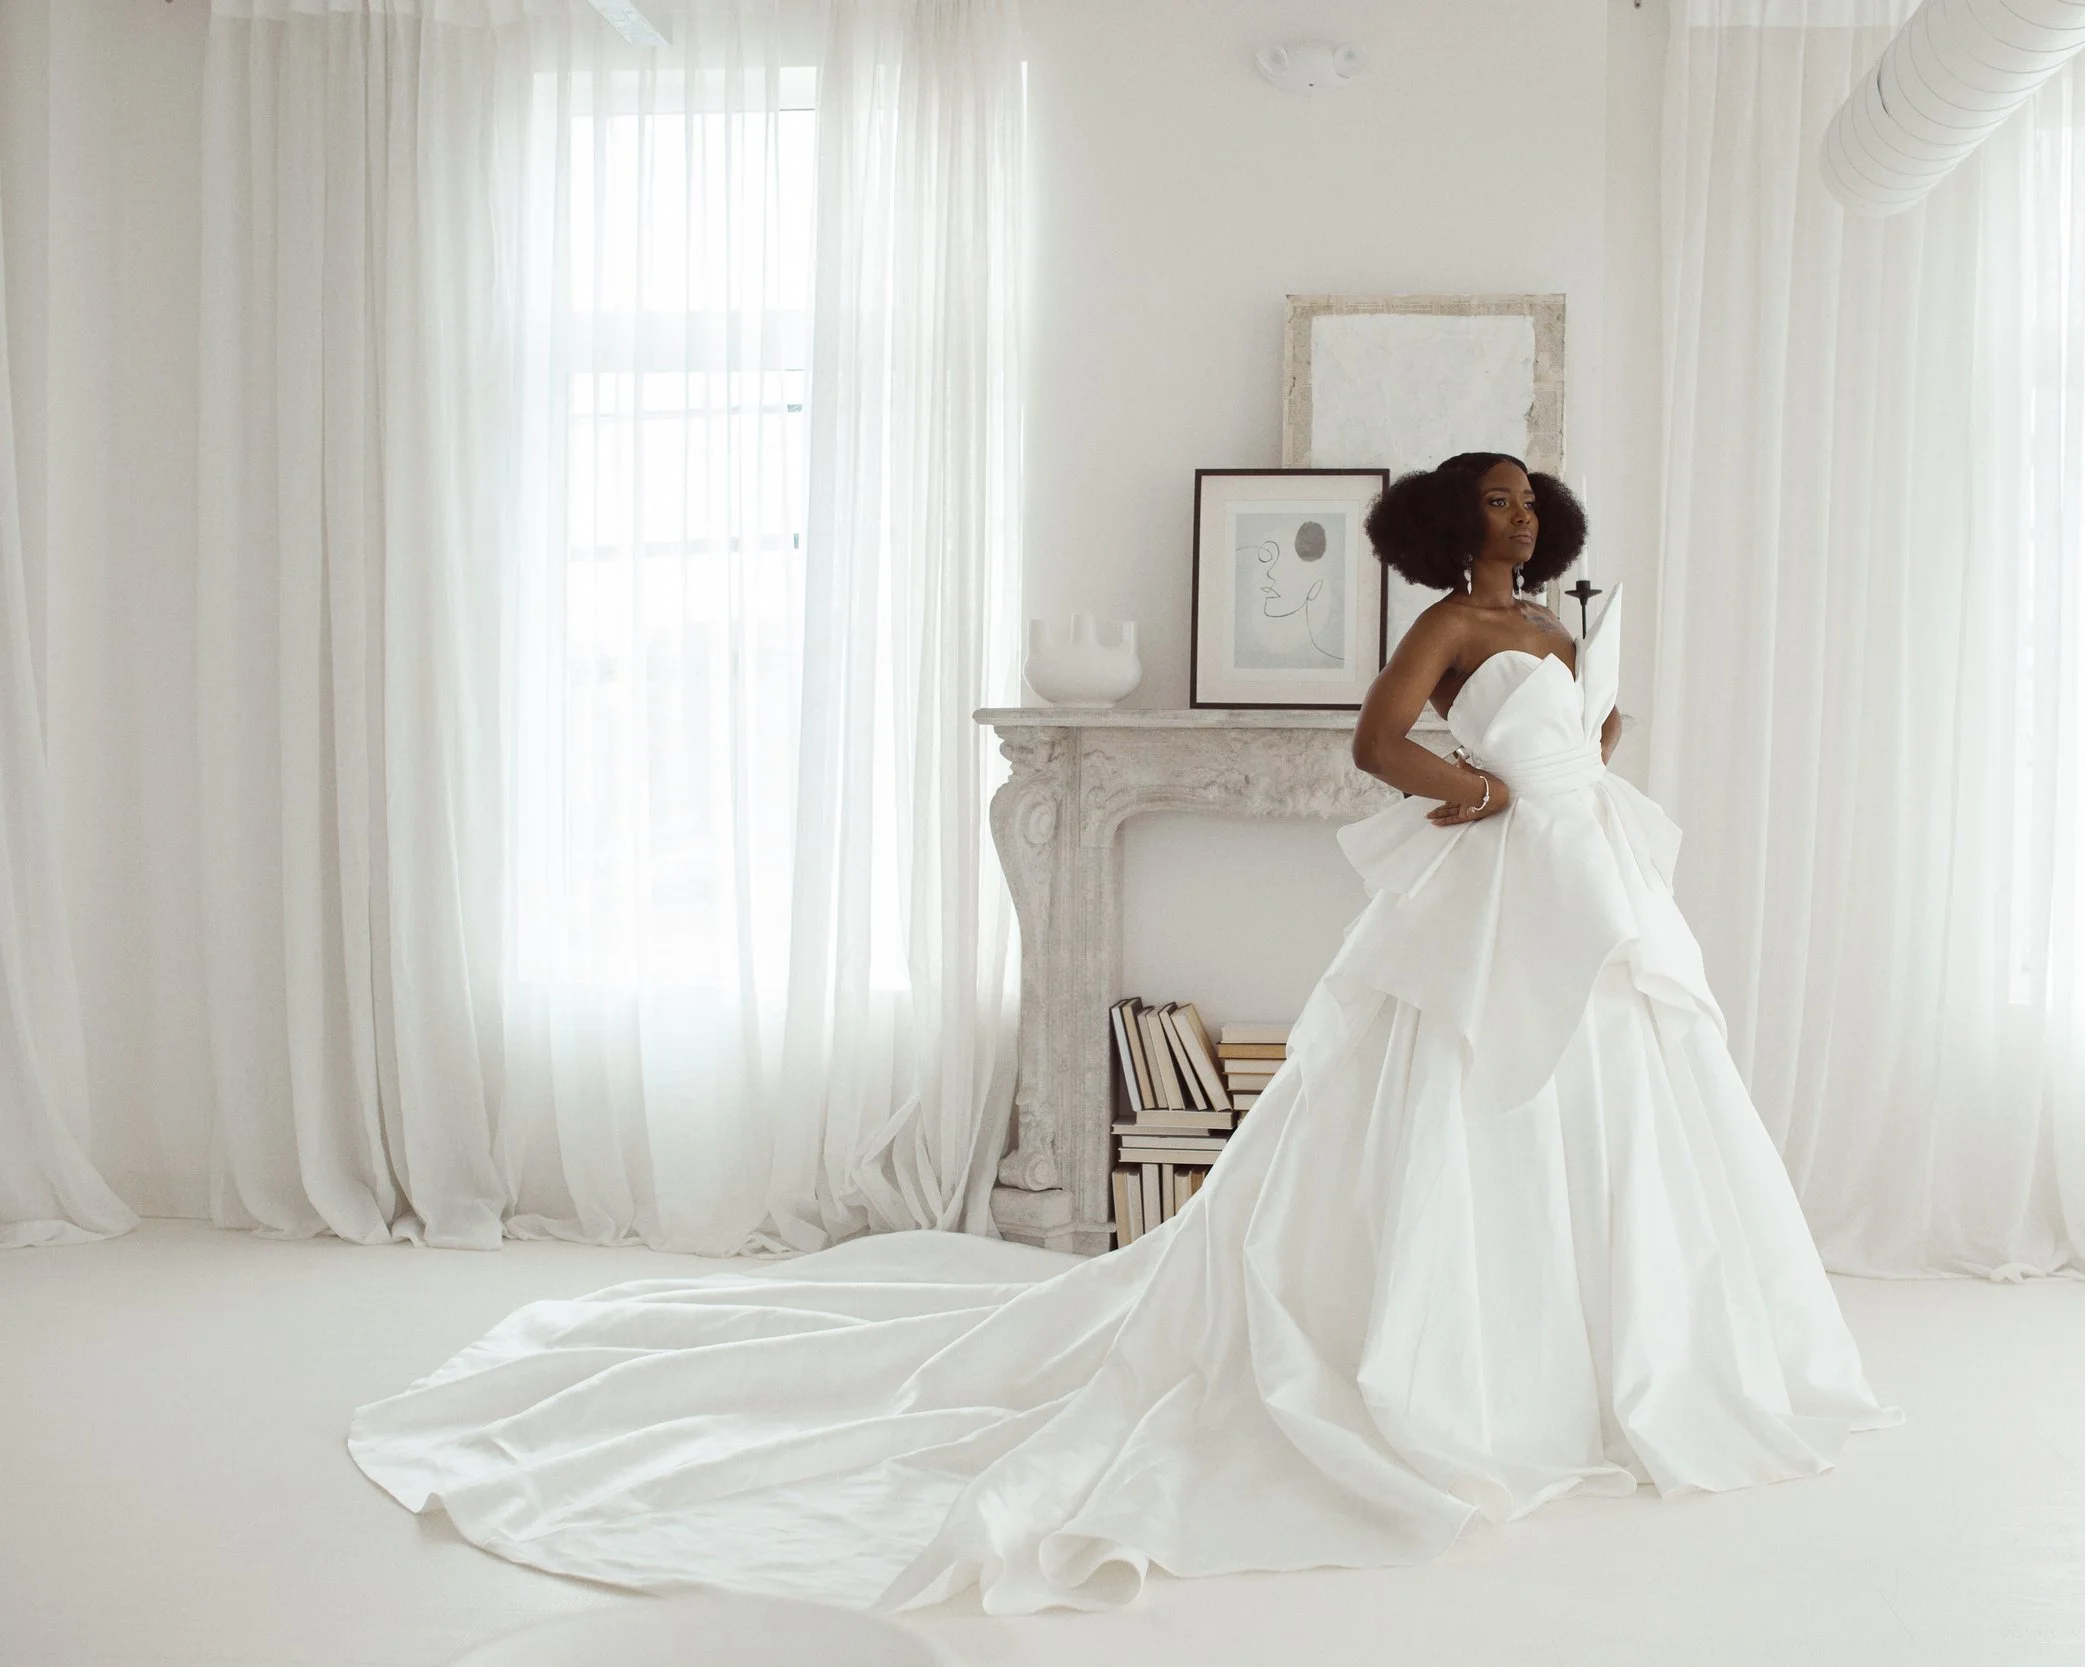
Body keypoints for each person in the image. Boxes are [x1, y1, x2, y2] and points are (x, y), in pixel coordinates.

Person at [348, 452, 1898, 1615]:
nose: (1518, 512)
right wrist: (1479, 788)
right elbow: (1378, 741)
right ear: (1453, 523)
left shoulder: (1554, 627)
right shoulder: (1444, 624)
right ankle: (1437, 1366)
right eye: (1493, 499)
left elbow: (1577, 741)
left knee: (1612, 1089)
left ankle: (1599, 1357)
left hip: (1590, 870)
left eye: (1527, 498)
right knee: (1464, 1081)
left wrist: (1583, 742)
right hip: (1506, 874)